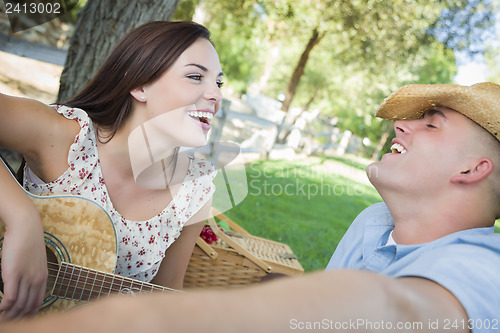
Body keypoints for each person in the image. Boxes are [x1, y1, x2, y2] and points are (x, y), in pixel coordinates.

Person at [1, 82, 499, 333]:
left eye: (430, 124)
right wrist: (21, 213)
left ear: (474, 169)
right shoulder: (372, 222)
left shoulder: (483, 271)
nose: (401, 127)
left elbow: (389, 307)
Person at [0, 21, 222, 320]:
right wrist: (21, 217)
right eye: (196, 77)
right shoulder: (68, 138)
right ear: (140, 85)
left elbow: (165, 295)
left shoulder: (193, 191)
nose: (215, 95)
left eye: (219, 83)